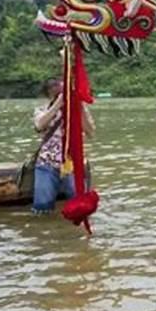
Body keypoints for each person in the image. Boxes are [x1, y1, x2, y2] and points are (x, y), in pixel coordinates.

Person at [32, 78, 94, 214]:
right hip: (47, 162)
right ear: (48, 93)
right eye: (52, 87)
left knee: (80, 204)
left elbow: (90, 131)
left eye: (59, 86)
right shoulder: (42, 109)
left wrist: (80, 106)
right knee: (42, 205)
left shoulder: (77, 109)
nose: (56, 89)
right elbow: (39, 125)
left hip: (73, 162)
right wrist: (58, 104)